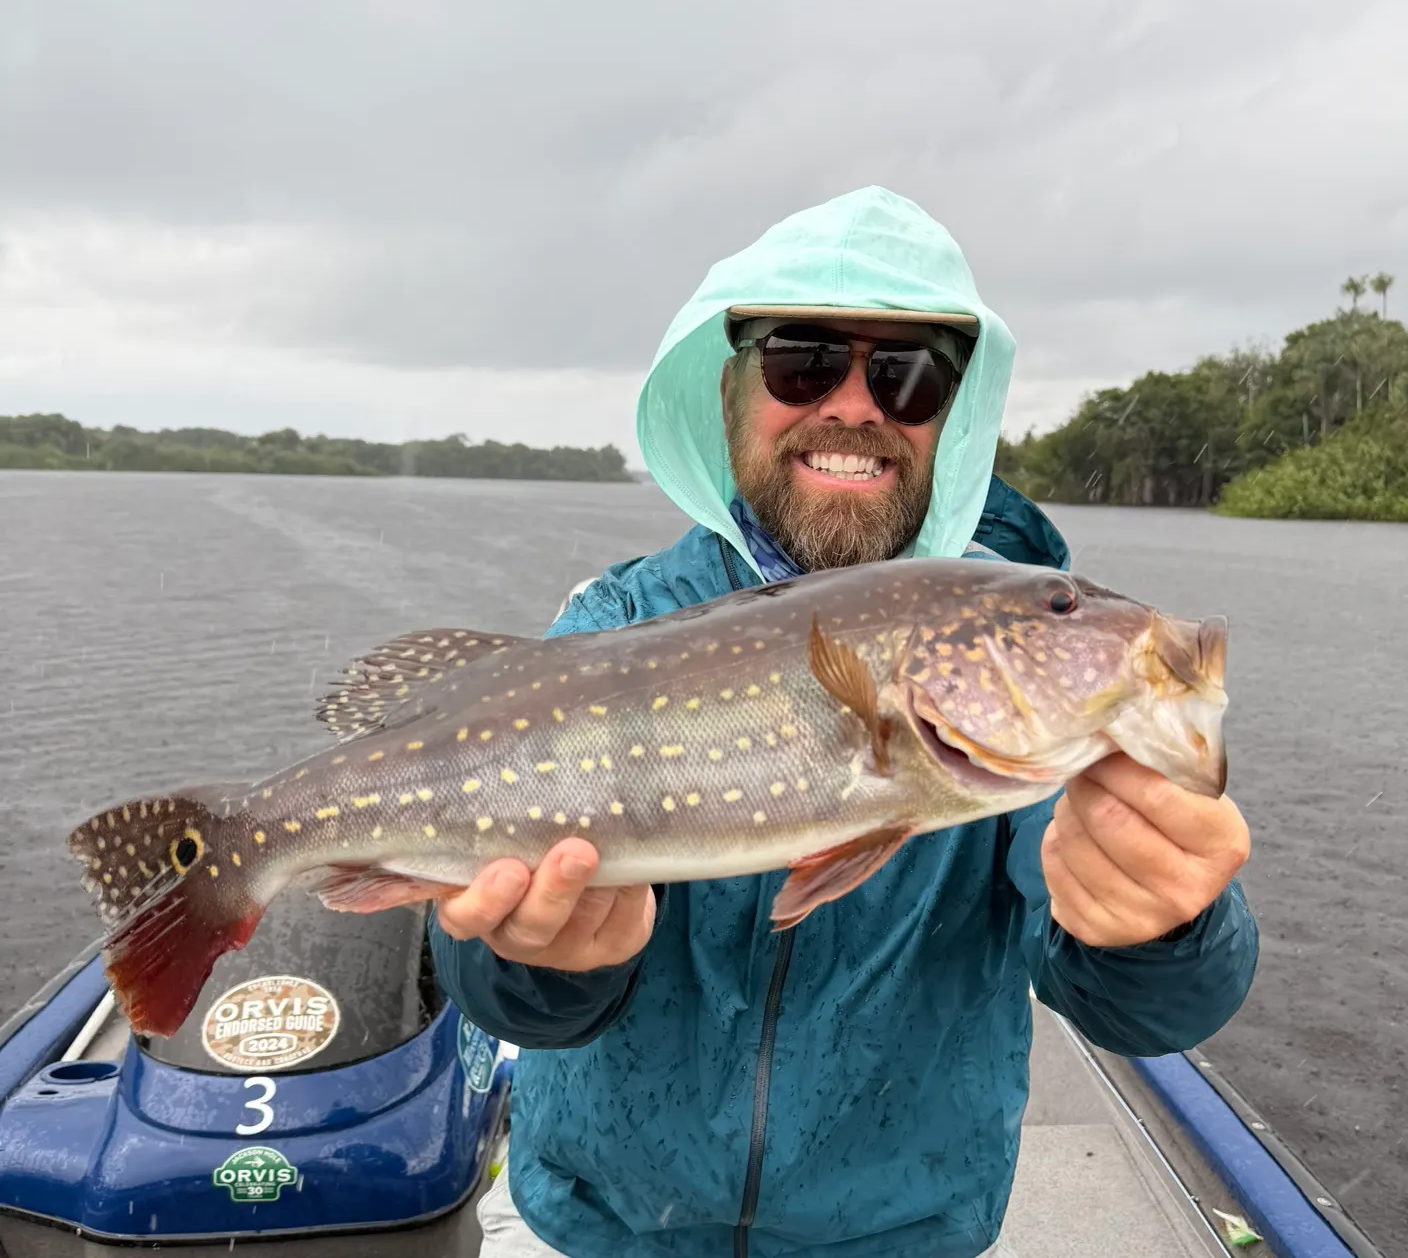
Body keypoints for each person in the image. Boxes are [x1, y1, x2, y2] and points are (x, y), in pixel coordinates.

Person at [428, 187, 1258, 1258]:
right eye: (803, 361)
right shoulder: (610, 623)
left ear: (950, 417)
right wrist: (549, 964)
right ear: (727, 390)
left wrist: (1166, 927)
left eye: (910, 376)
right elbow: (502, 1000)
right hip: (600, 1229)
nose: (858, 405)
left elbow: (1144, 1014)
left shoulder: (1028, 702)